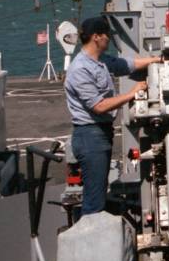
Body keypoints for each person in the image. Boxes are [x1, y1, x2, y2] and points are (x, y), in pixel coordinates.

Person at [64, 16, 161, 216]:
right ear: (96, 37)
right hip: (90, 136)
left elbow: (126, 65)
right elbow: (99, 106)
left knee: (97, 190)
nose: (109, 39)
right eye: (106, 35)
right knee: (94, 199)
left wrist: (156, 60)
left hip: (100, 134)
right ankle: (90, 237)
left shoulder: (100, 61)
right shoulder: (80, 69)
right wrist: (132, 94)